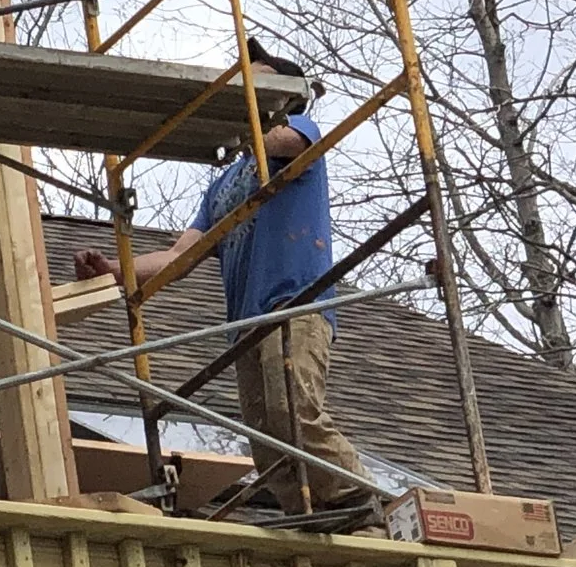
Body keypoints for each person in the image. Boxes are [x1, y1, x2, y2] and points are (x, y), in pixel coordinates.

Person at [73, 38, 369, 512]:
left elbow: (284, 141)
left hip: (293, 304)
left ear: (284, 95)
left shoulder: (298, 131)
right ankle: (313, 516)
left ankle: (362, 500)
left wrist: (247, 121)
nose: (242, 84)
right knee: (266, 437)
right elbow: (180, 255)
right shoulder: (225, 185)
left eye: (256, 78)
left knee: (292, 412)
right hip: (247, 327)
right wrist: (114, 269)